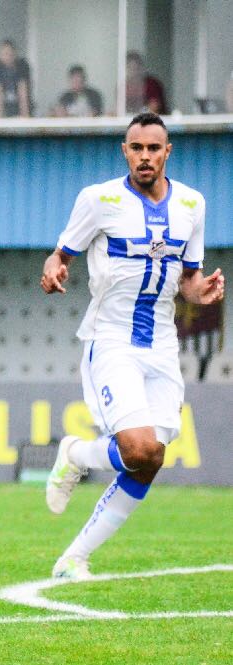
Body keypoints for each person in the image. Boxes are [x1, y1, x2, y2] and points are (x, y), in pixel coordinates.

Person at [41, 113, 223, 580]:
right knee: (138, 447)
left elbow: (188, 278)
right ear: (125, 151)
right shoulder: (98, 199)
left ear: (168, 153)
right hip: (112, 339)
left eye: (154, 148)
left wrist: (198, 293)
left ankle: (74, 557)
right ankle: (76, 455)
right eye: (136, 148)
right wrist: (54, 269)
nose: (145, 156)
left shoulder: (192, 204)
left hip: (163, 344)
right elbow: (61, 254)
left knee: (151, 459)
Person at [0, 39, 32, 118]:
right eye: (3, 54)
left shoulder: (22, 65)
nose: (7, 57)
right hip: (8, 104)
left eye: (9, 54)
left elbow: (23, 93)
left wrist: (25, 117)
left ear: (14, 54)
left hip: (22, 104)